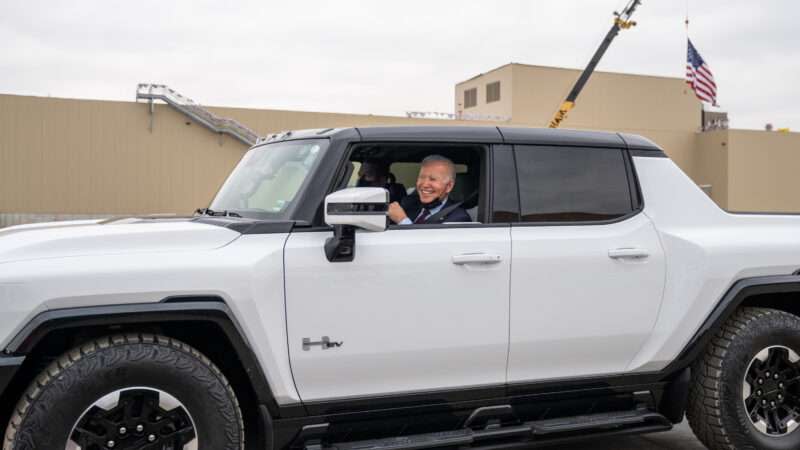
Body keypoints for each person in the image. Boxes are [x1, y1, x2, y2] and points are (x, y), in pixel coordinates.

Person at [388, 155, 471, 225]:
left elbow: (431, 244)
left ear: (448, 186)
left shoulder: (459, 218)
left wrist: (402, 221)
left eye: (432, 179)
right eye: (422, 177)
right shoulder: (409, 205)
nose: (424, 184)